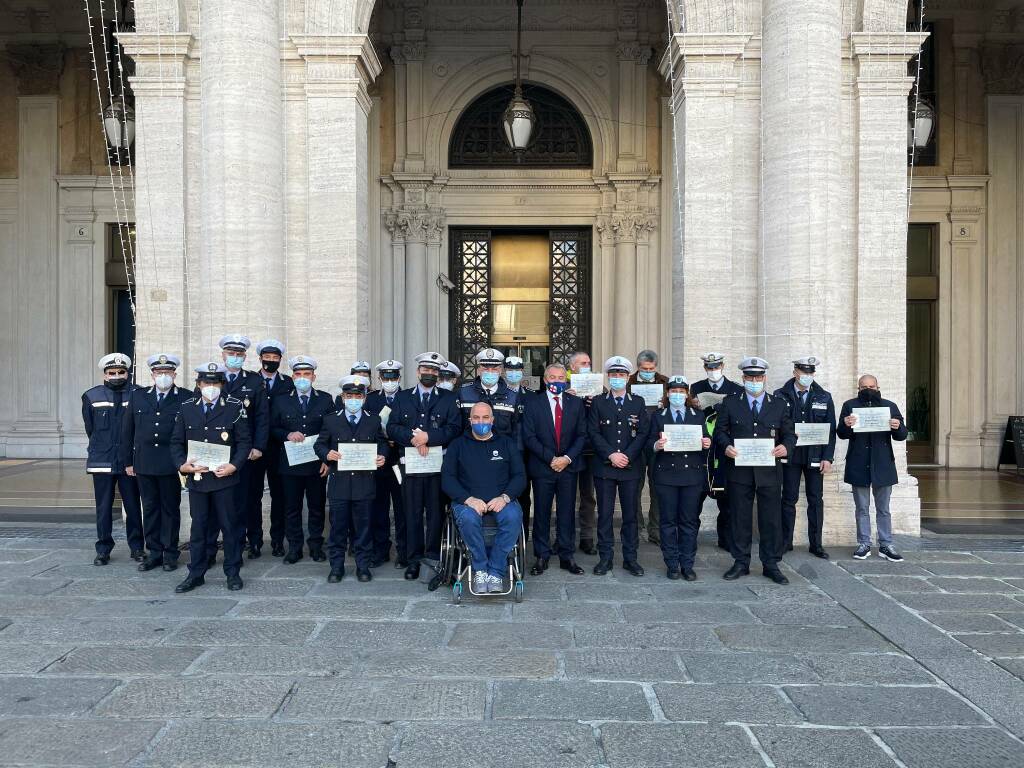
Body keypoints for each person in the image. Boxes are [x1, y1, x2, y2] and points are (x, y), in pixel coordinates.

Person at [170, 363, 252, 592]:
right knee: (199, 529)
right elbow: (176, 442)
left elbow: (244, 442)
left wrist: (234, 466)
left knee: (230, 527)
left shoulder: (235, 407)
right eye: (207, 383)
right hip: (198, 480)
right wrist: (182, 465)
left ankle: (232, 573)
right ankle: (196, 574)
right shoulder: (186, 407)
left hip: (225, 479)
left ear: (222, 385)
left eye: (216, 383)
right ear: (198, 385)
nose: (211, 387)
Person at [715, 357, 795, 585]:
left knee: (770, 519)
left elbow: (789, 434)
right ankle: (741, 562)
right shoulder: (731, 403)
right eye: (750, 378)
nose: (754, 381)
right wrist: (726, 446)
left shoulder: (778, 404)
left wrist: (785, 447)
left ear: (764, 379)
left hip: (769, 471)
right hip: (739, 471)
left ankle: (771, 563)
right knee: (740, 518)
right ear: (743, 379)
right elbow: (720, 431)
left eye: (758, 378)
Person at [386, 352, 462, 582]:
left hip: (437, 467)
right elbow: (392, 427)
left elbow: (454, 428)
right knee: (412, 514)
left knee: (436, 513)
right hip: (411, 465)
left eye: (434, 371)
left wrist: (429, 437)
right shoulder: (403, 397)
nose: (429, 374)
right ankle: (413, 559)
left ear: (438, 374)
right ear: (418, 371)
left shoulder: (449, 399)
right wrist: (414, 438)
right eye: (425, 370)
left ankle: (433, 557)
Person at [442, 402, 526, 594]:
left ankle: (496, 571)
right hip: (468, 502)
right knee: (469, 519)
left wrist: (504, 497)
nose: (481, 422)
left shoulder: (506, 443)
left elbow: (520, 476)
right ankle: (480, 569)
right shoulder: (457, 445)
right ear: (470, 420)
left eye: (485, 417)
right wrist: (468, 500)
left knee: (513, 517)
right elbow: (447, 478)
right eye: (477, 418)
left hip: (501, 500)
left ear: (493, 420)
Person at [315, 376, 388, 582]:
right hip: (339, 484)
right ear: (343, 397)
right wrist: (326, 454)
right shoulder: (331, 419)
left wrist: (382, 455)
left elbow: (381, 443)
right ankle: (336, 567)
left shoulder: (373, 419)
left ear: (364, 398)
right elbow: (319, 445)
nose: (353, 399)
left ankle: (363, 567)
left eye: (357, 396)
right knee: (338, 528)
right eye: (349, 396)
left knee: (363, 528)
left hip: (364, 483)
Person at [121, 353, 188, 572]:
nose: (163, 376)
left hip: (171, 463)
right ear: (152, 374)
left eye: (167, 372)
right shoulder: (138, 396)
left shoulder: (185, 397)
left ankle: (170, 553)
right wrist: (128, 462)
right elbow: (127, 431)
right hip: (144, 462)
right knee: (149, 509)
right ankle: (154, 553)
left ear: (174, 374)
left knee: (170, 509)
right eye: (159, 373)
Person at [522, 363, 587, 576]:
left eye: (561, 378)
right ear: (545, 379)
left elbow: (581, 435)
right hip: (543, 467)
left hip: (568, 467)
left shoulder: (576, 404)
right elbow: (529, 436)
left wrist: (566, 458)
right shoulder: (533, 403)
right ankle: (542, 555)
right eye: (552, 377)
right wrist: (551, 458)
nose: (557, 381)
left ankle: (567, 555)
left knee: (567, 512)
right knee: (541, 512)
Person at [588, 356, 651, 576]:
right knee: (604, 515)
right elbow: (593, 432)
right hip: (605, 467)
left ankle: (630, 558)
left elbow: (643, 433)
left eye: (621, 375)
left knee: (630, 515)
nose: (617, 379)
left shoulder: (638, 402)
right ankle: (605, 558)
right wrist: (611, 455)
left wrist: (626, 456)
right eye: (613, 375)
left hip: (630, 467)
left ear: (627, 377)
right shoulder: (598, 402)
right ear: (608, 376)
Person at [837, 374, 908, 562]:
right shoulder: (849, 405)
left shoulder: (890, 406)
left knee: (883, 508)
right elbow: (841, 434)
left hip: (883, 463)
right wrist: (845, 424)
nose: (868, 389)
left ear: (878, 387)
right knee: (862, 508)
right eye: (864, 387)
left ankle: (886, 544)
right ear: (858, 389)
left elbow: (902, 435)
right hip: (858, 462)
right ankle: (864, 543)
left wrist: (897, 426)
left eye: (871, 386)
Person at [270, 355, 334, 563]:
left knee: (316, 506)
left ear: (313, 377)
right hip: (290, 464)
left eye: (307, 374)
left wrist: (327, 460)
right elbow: (272, 427)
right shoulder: (281, 400)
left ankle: (316, 546)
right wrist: (286, 435)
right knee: (292, 507)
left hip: (317, 464)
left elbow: (332, 432)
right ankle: (295, 547)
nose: (302, 378)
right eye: (298, 374)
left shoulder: (325, 399)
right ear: (293, 377)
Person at [83, 353, 144, 565]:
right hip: (103, 459)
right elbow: (91, 429)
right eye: (112, 373)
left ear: (128, 373)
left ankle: (137, 548)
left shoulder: (139, 394)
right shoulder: (91, 396)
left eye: (121, 372)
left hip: (129, 461)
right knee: (103, 507)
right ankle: (103, 549)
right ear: (105, 374)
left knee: (133, 506)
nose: (116, 376)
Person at [773, 356, 835, 559]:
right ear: (795, 373)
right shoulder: (779, 395)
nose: (807, 376)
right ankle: (785, 542)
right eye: (803, 372)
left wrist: (828, 457)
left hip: (815, 455)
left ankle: (816, 544)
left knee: (816, 500)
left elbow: (830, 430)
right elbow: (775, 425)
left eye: (810, 373)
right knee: (788, 499)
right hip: (790, 456)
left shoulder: (824, 396)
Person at [649, 376, 711, 580]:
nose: (677, 395)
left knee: (689, 522)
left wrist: (706, 444)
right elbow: (648, 442)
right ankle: (672, 563)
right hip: (666, 475)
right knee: (667, 522)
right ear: (667, 393)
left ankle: (687, 563)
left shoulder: (698, 415)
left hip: (691, 476)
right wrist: (656, 446)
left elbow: (706, 443)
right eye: (673, 391)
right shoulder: (658, 415)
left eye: (681, 391)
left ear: (687, 394)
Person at [216, 334, 269, 565]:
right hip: (220, 450)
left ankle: (254, 540)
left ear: (245, 357)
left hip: (247, 451)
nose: (235, 358)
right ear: (223, 355)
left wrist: (258, 446)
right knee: (224, 500)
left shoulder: (255, 382)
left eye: (239, 355)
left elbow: (262, 416)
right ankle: (231, 542)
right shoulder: (213, 379)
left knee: (250, 498)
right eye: (231, 354)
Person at [690, 352, 744, 552]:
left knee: (727, 500)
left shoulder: (735, 389)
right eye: (710, 367)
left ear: (723, 365)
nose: (713, 371)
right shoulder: (696, 388)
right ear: (705, 368)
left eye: (716, 367)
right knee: (696, 497)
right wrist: (693, 405)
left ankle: (726, 539)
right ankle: (690, 539)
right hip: (703, 448)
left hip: (725, 447)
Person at [364, 359, 405, 567]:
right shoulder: (370, 400)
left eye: (394, 377)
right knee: (378, 508)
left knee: (402, 507)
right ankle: (380, 550)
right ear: (379, 378)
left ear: (399, 378)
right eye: (386, 377)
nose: (390, 381)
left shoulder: (407, 398)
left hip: (399, 460)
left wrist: (396, 438)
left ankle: (403, 550)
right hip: (378, 462)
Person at [254, 339, 293, 557]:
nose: (270, 361)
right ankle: (255, 540)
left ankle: (278, 540)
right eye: (267, 358)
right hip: (255, 449)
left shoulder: (287, 383)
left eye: (275, 358)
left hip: (280, 448)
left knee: (280, 496)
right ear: (260, 358)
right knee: (253, 496)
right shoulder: (250, 381)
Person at [628, 349, 669, 545]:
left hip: (658, 440)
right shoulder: (628, 383)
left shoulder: (665, 382)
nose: (648, 372)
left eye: (651, 369)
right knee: (634, 486)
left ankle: (656, 530)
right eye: (644, 369)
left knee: (658, 486)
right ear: (638, 367)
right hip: (634, 440)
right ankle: (635, 526)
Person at [566, 350, 598, 555]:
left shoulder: (598, 386)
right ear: (572, 367)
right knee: (565, 495)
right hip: (567, 450)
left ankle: (587, 537)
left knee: (588, 496)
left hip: (590, 450)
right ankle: (565, 537)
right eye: (582, 363)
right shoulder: (563, 386)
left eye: (588, 362)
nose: (587, 365)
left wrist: (596, 402)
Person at [503, 354, 533, 533]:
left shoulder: (531, 396)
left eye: (517, 370)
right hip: (503, 453)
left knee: (523, 495)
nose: (514, 373)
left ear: (522, 372)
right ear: (505, 372)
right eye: (510, 370)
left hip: (524, 454)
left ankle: (523, 533)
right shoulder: (498, 394)